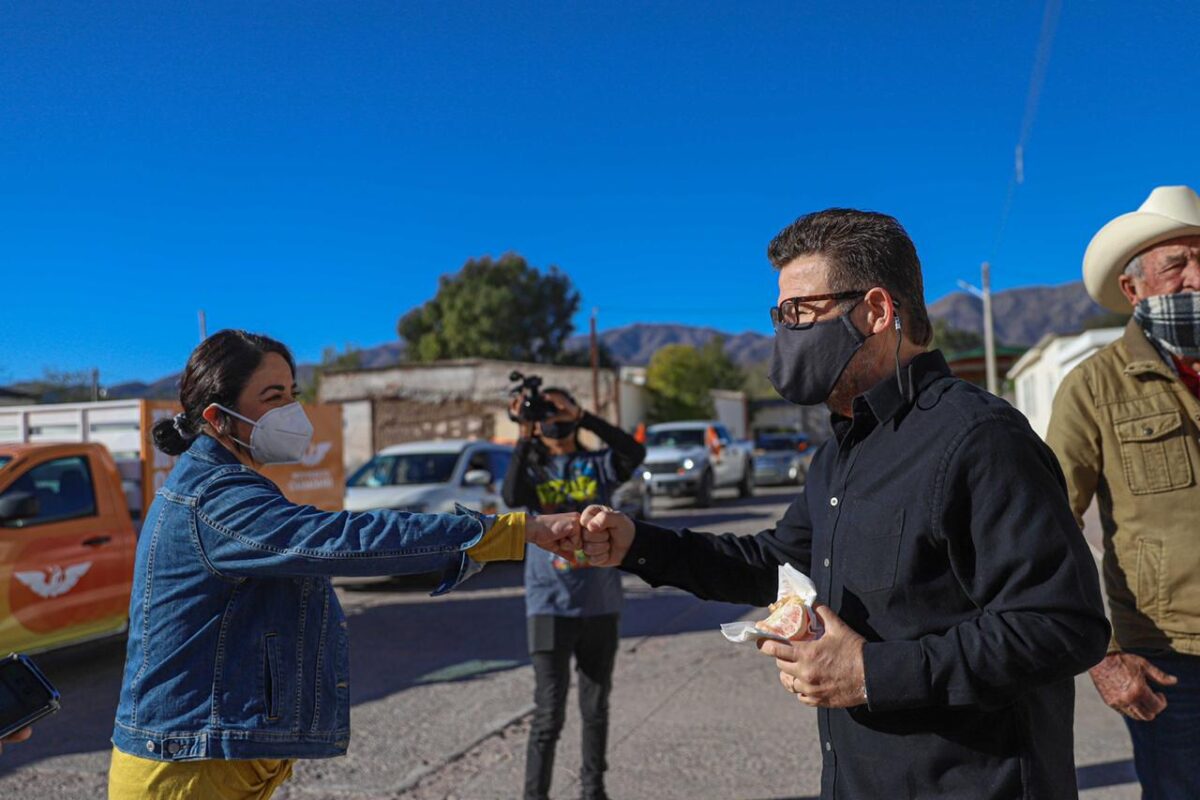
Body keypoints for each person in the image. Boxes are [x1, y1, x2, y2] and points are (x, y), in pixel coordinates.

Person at [578, 209, 1110, 799]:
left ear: (877, 311)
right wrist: (636, 544)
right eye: (780, 316)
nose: (785, 334)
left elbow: (1063, 626)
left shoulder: (980, 438)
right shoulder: (842, 450)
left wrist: (870, 674)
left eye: (800, 313)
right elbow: (774, 561)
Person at [107, 330, 581, 800]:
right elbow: (346, 539)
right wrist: (513, 532)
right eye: (272, 396)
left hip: (199, 761)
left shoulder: (221, 483)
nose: (291, 410)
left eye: (293, 394)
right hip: (184, 772)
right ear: (217, 417)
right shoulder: (216, 497)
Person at [1047, 185, 1200, 799]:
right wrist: (1102, 655)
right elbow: (1048, 530)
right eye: (1177, 264)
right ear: (1134, 289)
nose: (1197, 277)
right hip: (1172, 659)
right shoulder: (1093, 388)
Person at [502, 388, 645, 800]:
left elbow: (633, 455)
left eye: (558, 410)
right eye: (547, 413)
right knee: (548, 713)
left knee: (595, 708)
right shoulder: (532, 470)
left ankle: (592, 791)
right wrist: (525, 433)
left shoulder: (597, 464)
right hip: (547, 604)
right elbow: (511, 497)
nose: (554, 419)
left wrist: (584, 417)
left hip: (599, 602)